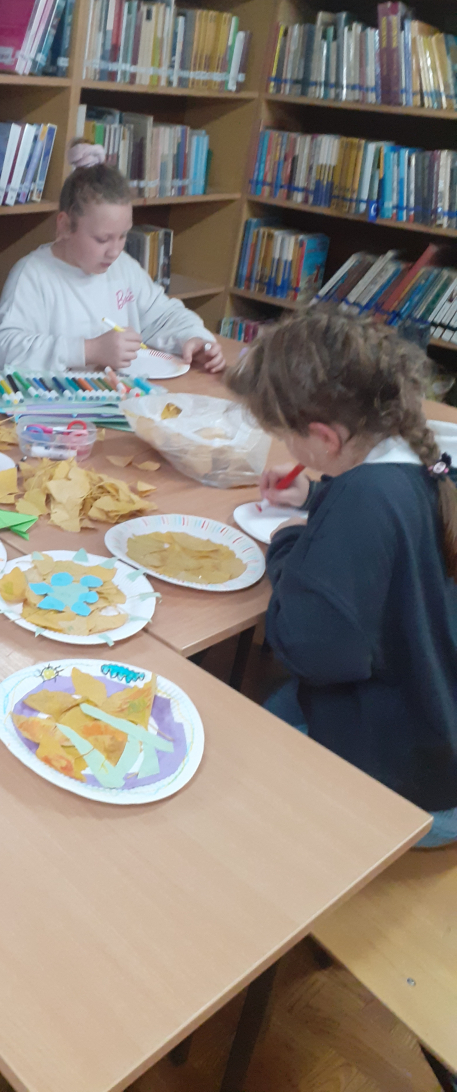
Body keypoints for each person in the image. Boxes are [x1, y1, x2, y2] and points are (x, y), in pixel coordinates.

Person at [226, 308, 457, 848]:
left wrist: (288, 544)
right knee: (276, 705)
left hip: (407, 791)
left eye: (285, 438)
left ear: (324, 438)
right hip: (438, 733)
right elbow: (390, 530)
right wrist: (314, 496)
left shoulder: (363, 503)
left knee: (240, 743)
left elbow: (310, 651)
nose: (288, 452)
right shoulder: (424, 463)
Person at [0, 141, 225, 374]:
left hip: (120, 393)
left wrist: (194, 339)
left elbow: (165, 316)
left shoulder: (123, 267)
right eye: (102, 239)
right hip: (57, 399)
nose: (115, 251)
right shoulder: (33, 275)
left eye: (123, 236)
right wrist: (89, 350)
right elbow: (0, 354)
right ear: (65, 226)